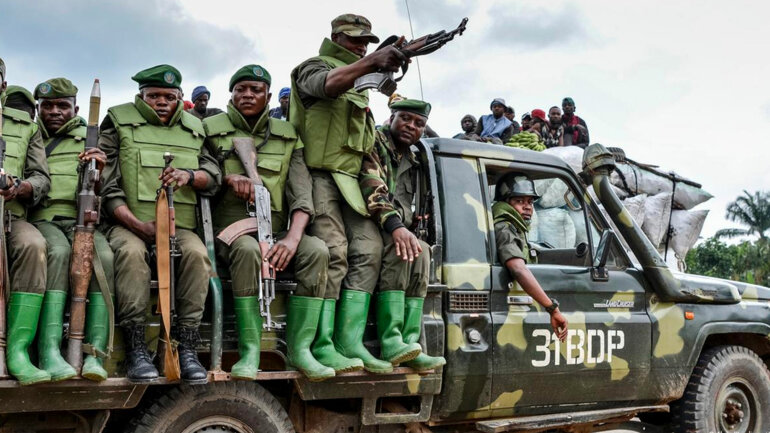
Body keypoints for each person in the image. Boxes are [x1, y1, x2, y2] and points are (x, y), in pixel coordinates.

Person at [203, 65, 339, 381]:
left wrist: (292, 238)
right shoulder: (210, 129)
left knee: (317, 250)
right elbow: (201, 172)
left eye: (256, 89)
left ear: (267, 94)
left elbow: (302, 192)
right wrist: (227, 179)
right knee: (248, 250)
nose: (247, 95)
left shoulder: (287, 135)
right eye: (241, 89)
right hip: (230, 233)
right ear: (231, 94)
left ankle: (299, 349)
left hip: (275, 228)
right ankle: (250, 350)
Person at [290, 13, 407, 374]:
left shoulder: (361, 80)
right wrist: (372, 60)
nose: (361, 46)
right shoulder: (313, 67)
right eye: (355, 40)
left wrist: (393, 61)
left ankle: (349, 340)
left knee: (371, 248)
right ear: (335, 37)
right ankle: (319, 345)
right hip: (316, 176)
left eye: (367, 43)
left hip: (351, 182)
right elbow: (325, 85)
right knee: (334, 251)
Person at [99, 64, 221, 384]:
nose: (162, 102)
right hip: (129, 223)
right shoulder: (119, 121)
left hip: (179, 227)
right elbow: (107, 187)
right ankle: (137, 348)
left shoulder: (196, 128)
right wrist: (138, 225)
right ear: (141, 97)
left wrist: (189, 176)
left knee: (197, 256)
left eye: (169, 96)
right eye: (154, 96)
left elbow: (214, 176)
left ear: (180, 97)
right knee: (129, 254)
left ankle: (185, 346)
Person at [30, 78, 115, 382]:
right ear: (38, 109)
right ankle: (49, 350)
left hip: (84, 219)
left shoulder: (90, 140)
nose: (54, 111)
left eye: (62, 106)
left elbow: (110, 189)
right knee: (59, 252)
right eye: (47, 106)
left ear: (76, 109)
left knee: (103, 257)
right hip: (44, 219)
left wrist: (100, 171)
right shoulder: (31, 135)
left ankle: (93, 354)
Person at [360, 98, 446, 371]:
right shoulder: (374, 142)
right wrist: (397, 228)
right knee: (404, 250)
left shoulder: (413, 157)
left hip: (396, 226)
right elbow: (372, 188)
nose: (411, 126)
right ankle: (391, 340)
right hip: (371, 221)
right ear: (392, 117)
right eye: (405, 118)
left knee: (421, 253)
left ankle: (410, 344)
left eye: (419, 123)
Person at [0, 58, 53, 386]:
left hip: (10, 215)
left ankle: (17, 351)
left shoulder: (25, 125)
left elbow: (41, 179)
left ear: (4, 86)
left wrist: (18, 187)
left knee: (35, 245)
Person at [492, 173, 568, 341]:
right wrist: (552, 309)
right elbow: (518, 268)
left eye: (530, 202)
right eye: (519, 201)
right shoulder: (505, 228)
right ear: (505, 202)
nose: (527, 207)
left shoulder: (515, 227)